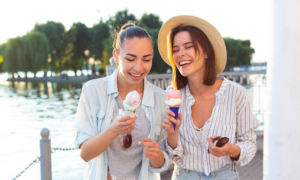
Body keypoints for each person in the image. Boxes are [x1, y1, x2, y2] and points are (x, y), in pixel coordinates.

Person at [158, 15, 260, 180]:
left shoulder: (236, 93)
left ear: (206, 51)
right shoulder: (172, 96)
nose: (180, 54)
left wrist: (230, 150)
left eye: (188, 47)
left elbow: (249, 144)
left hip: (225, 175)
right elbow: (173, 156)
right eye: (175, 49)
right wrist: (172, 135)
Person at [73, 23, 172, 180]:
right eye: (131, 59)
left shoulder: (160, 99)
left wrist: (156, 153)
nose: (139, 68)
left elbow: (161, 165)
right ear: (116, 56)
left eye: (146, 59)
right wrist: (114, 130)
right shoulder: (93, 91)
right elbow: (85, 154)